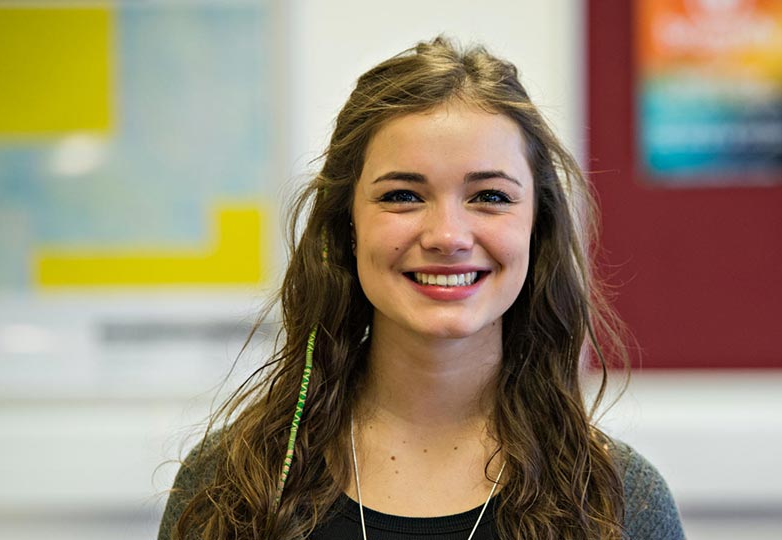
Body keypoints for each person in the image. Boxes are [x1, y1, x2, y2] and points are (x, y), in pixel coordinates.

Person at [159, 36, 685, 540]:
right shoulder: (233, 488)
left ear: (536, 226)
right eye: (404, 195)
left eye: (491, 197)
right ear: (348, 224)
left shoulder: (618, 504)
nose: (448, 237)